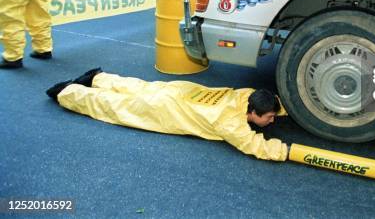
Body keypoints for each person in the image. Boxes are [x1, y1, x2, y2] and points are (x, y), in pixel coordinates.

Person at [46, 69, 288, 161]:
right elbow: (256, 146)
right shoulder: (231, 124)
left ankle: (98, 78)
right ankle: (67, 93)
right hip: (165, 108)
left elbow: (273, 101)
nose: (271, 120)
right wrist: (285, 151)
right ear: (253, 112)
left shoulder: (244, 95)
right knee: (116, 107)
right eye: (268, 117)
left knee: (138, 85)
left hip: (179, 91)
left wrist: (291, 108)